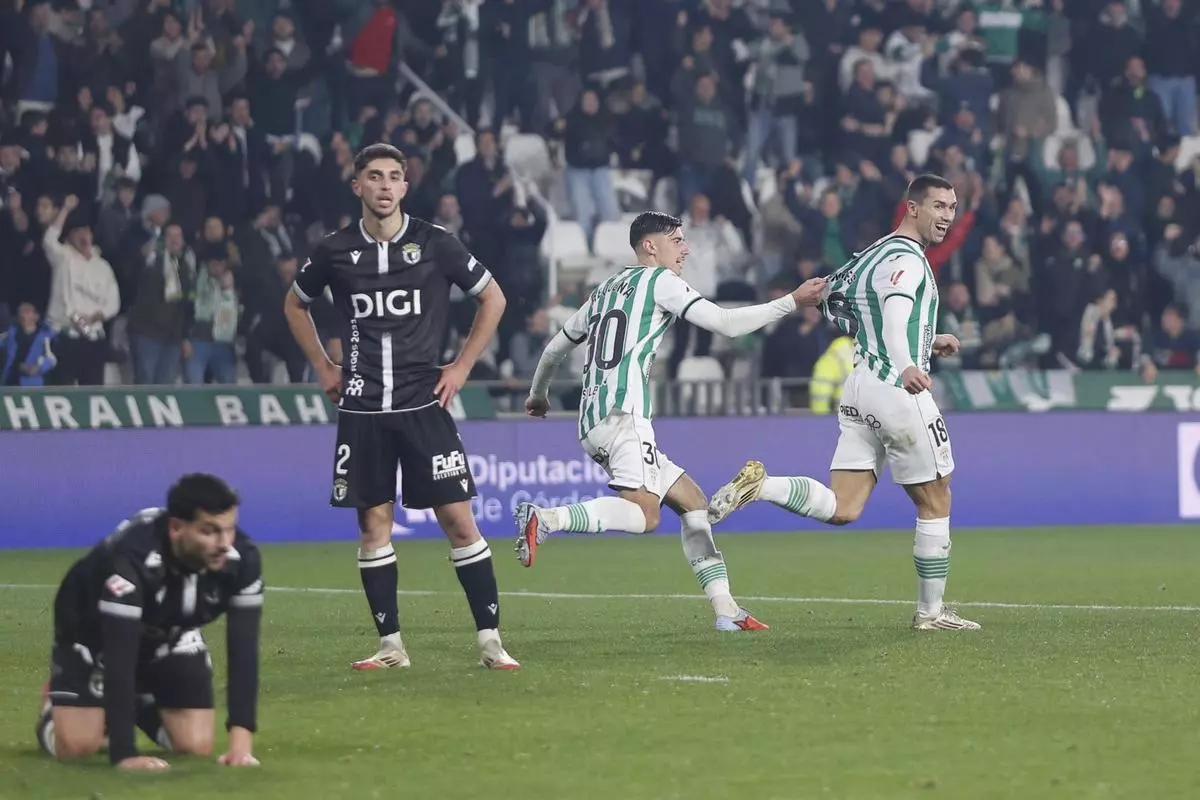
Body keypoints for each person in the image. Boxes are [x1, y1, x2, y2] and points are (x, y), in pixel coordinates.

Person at [515, 211, 827, 632]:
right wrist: (792, 301)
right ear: (651, 246)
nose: (686, 248)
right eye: (677, 240)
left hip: (593, 418)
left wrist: (538, 394)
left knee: (693, 504)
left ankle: (726, 611)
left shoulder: (604, 289)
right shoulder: (659, 281)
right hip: (624, 416)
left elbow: (554, 350)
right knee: (645, 516)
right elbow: (726, 324)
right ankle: (548, 519)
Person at [708, 175, 980, 632]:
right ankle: (931, 614)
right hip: (896, 388)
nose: (947, 216)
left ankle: (764, 486)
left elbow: (837, 299)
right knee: (937, 498)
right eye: (938, 206)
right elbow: (894, 316)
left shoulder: (869, 255)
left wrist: (928, 343)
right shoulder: (907, 261)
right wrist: (907, 364)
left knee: (844, 507)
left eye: (952, 207)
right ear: (911, 208)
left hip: (859, 388)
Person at [283, 143, 518, 671]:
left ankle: (491, 642)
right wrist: (324, 367)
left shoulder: (436, 244)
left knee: (459, 521)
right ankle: (391, 647)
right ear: (358, 186)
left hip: (422, 405)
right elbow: (294, 303)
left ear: (405, 187)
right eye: (374, 177)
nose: (385, 186)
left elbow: (493, 297)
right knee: (374, 527)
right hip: (363, 409)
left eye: (394, 177)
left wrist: (460, 367)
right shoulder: (335, 250)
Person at [35, 474, 263, 771]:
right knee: (79, 748)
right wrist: (125, 754)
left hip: (169, 633)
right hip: (94, 633)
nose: (224, 543)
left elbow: (243, 652)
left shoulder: (242, 559)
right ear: (176, 528)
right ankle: (55, 710)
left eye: (229, 529)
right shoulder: (133, 557)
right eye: (209, 532)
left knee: (195, 746)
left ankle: (135, 701)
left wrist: (240, 748)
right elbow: (119, 656)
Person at [1, 302, 57, 386]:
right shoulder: (11, 334)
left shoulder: (46, 336)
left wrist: (38, 368)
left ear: (36, 316)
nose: (23, 315)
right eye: (21, 312)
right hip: (10, 382)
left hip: (32, 383)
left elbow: (52, 358)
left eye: (27, 311)